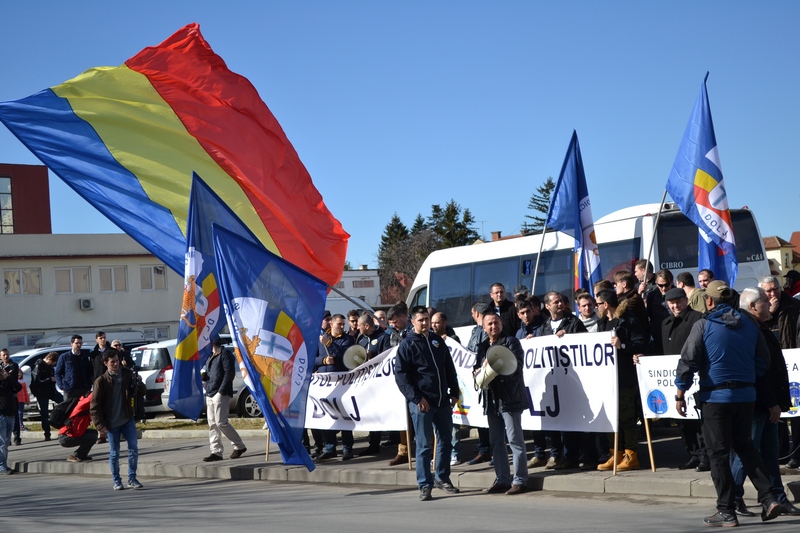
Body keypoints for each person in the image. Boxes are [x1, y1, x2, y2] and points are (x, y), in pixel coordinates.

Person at [675, 281, 783, 527]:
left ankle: (726, 510)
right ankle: (769, 498)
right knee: (746, 448)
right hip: (745, 397)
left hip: (716, 398)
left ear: (709, 301)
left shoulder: (703, 325)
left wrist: (680, 392)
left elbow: (688, 360)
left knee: (719, 455)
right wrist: (744, 377)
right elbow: (762, 362)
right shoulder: (751, 327)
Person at [729, 287, 800, 517]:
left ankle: (776, 498)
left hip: (769, 403)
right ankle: (733, 499)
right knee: (746, 453)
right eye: (763, 302)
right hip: (758, 404)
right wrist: (771, 403)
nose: (769, 305)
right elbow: (759, 372)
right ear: (752, 306)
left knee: (770, 452)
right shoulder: (747, 329)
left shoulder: (759, 326)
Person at [394, 306, 460, 501]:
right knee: (423, 445)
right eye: (420, 320)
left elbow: (449, 368)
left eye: (426, 319)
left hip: (442, 401)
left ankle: (442, 478)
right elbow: (401, 377)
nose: (424, 323)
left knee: (445, 441)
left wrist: (454, 391)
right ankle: (425, 484)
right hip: (422, 403)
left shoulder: (437, 340)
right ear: (412, 322)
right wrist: (416, 398)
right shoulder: (407, 345)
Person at [475, 313, 529, 494]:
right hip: (491, 400)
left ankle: (520, 480)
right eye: (489, 324)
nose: (493, 326)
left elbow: (517, 367)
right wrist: (478, 371)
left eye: (496, 322)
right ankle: (503, 479)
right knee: (496, 441)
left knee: (515, 440)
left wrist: (495, 366)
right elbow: (476, 371)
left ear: (501, 323)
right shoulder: (482, 346)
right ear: (484, 327)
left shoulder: (511, 342)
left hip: (509, 398)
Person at [535, 290, 588, 470]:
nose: (560, 304)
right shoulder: (544, 327)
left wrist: (569, 337)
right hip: (553, 381)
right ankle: (557, 455)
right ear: (547, 306)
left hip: (571, 380)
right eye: (555, 302)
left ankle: (571, 457)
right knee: (556, 420)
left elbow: (585, 342)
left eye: (560, 301)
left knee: (571, 421)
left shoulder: (573, 322)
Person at [595, 289, 647, 471]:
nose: (597, 307)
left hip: (625, 378)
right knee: (610, 417)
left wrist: (622, 345)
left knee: (626, 417)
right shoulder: (602, 322)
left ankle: (631, 455)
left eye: (598, 304)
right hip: (608, 378)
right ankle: (614, 454)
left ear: (606, 304)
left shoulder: (628, 320)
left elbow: (641, 343)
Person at [660, 288, 707, 471]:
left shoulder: (697, 318)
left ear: (685, 300)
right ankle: (693, 454)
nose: (675, 306)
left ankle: (705, 456)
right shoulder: (665, 323)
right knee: (682, 420)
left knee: (698, 418)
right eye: (671, 303)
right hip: (673, 376)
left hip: (693, 375)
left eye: (678, 302)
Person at [90, 349, 147, 490]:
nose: (115, 364)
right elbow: (94, 406)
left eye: (117, 360)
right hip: (111, 423)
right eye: (112, 362)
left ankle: (132, 478)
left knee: (133, 448)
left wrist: (139, 383)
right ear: (105, 363)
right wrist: (99, 425)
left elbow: (141, 393)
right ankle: (117, 481)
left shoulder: (127, 375)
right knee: (114, 453)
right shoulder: (101, 381)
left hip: (127, 419)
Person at [315, 313, 355, 462]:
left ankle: (347, 448)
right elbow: (314, 359)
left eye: (343, 324)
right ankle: (330, 447)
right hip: (325, 385)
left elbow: (345, 357)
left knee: (344, 416)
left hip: (341, 385)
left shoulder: (347, 339)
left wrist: (329, 344)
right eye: (339, 324)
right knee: (327, 417)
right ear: (331, 324)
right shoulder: (321, 339)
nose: (342, 327)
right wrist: (324, 360)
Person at [202, 336, 247, 462]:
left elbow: (229, 373)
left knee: (221, 422)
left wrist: (221, 391)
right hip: (210, 392)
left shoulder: (225, 353)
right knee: (212, 423)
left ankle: (239, 446)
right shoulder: (211, 356)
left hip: (220, 392)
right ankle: (216, 451)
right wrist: (205, 377)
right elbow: (212, 374)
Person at [355, 313, 392, 457]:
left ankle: (380, 442)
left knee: (377, 413)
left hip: (379, 383)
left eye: (359, 325)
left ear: (366, 326)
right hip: (365, 382)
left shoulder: (383, 338)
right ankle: (373, 444)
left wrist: (372, 357)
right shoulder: (361, 339)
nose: (357, 328)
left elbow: (387, 358)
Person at [465, 302, 492, 466]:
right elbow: (469, 350)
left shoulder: (485, 330)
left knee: (492, 418)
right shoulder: (475, 330)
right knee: (481, 416)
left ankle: (493, 450)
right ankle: (484, 450)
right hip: (477, 377)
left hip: (488, 376)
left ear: (475, 313)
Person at [31, 352, 62, 441]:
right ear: (49, 359)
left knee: (64, 402)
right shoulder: (39, 366)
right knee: (44, 414)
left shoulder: (49, 367)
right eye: (52, 363)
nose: (53, 365)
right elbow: (37, 381)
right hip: (42, 393)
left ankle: (60, 422)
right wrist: (49, 380)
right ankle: (47, 434)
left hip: (51, 391)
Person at [58, 393, 96, 463]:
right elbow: (91, 399)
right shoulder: (82, 405)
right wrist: (98, 392)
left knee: (94, 433)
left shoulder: (83, 405)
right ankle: (77, 456)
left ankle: (82, 455)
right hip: (66, 437)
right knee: (93, 437)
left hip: (68, 434)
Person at [0, 352, 22, 475]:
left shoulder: (8, 382)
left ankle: (3, 464)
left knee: (6, 442)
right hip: (1, 415)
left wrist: (7, 377)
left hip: (10, 415)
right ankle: (2, 466)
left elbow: (18, 387)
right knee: (2, 443)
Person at [55, 335, 93, 400]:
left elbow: (89, 372)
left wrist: (88, 385)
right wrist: (61, 386)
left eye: (80, 343)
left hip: (83, 389)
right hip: (69, 389)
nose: (79, 345)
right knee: (68, 409)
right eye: (77, 343)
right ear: (71, 344)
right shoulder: (64, 357)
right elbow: (57, 373)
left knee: (82, 409)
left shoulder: (84, 357)